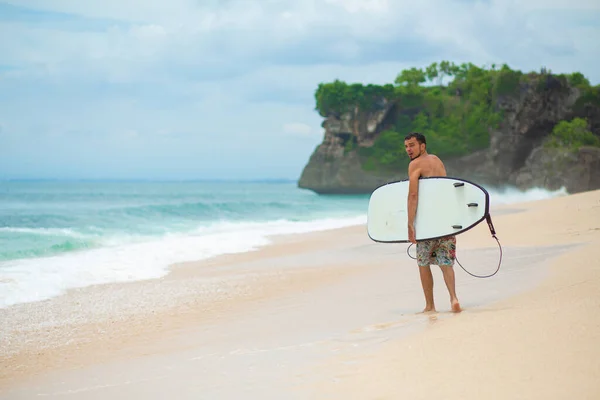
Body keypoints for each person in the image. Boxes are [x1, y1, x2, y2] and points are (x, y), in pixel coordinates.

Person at [404, 132, 461, 313]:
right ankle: (453, 298)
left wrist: (410, 223)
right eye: (406, 146)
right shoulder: (438, 161)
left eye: (412, 145)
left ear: (423, 145)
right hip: (445, 221)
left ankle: (430, 306)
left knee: (423, 263)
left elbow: (413, 195)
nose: (409, 150)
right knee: (446, 262)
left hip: (428, 225)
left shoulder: (415, 165)